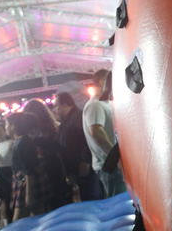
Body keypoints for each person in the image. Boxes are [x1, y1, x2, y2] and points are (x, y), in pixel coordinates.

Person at [22, 99, 71, 212]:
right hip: (55, 166)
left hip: (38, 169)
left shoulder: (27, 136)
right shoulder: (53, 128)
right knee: (59, 200)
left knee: (42, 205)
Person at [83, 69, 126, 198]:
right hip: (111, 166)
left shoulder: (103, 103)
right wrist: (115, 157)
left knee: (122, 200)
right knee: (120, 201)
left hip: (113, 165)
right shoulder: (96, 105)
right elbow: (96, 131)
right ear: (103, 82)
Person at [54, 92, 102, 201]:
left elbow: (87, 141)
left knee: (91, 197)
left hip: (84, 167)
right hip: (75, 167)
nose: (54, 110)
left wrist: (85, 161)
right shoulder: (65, 121)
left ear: (65, 104)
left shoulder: (79, 117)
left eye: (56, 106)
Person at [6, 112, 47, 220]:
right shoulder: (21, 141)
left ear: (13, 126)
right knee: (39, 217)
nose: (6, 127)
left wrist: (29, 195)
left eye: (7, 124)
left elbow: (29, 170)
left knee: (18, 222)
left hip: (26, 183)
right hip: (29, 182)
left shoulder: (22, 143)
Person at [0, 122, 14, 227]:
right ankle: (7, 223)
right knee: (4, 200)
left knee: (10, 199)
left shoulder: (11, 143)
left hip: (10, 172)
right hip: (1, 173)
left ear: (5, 131)